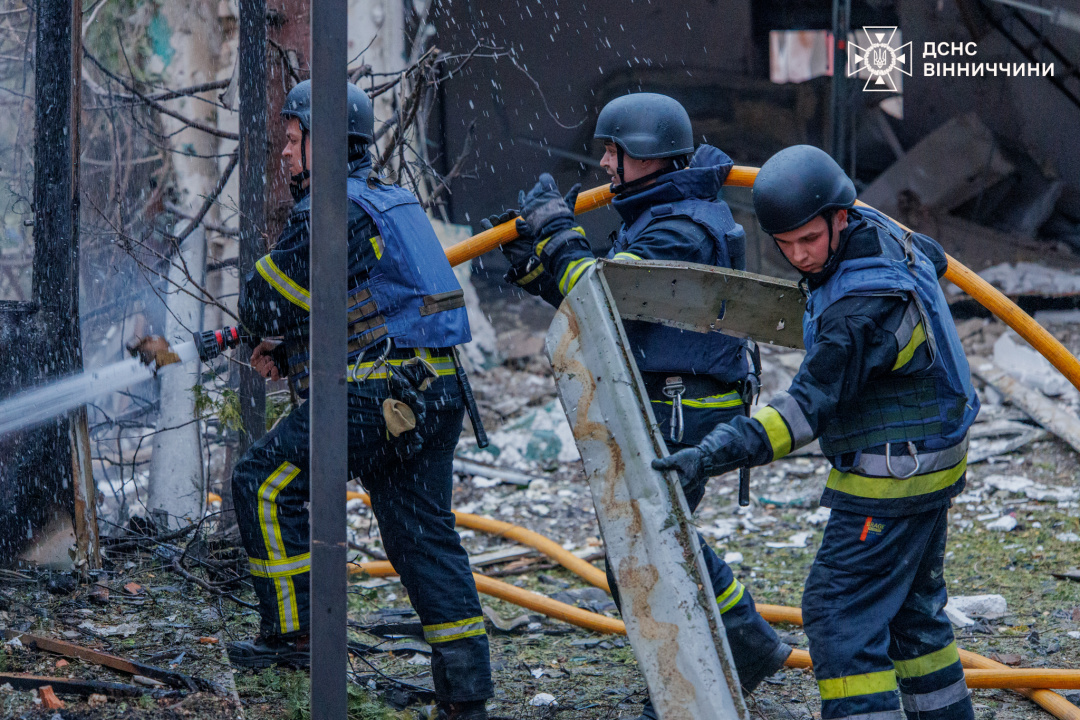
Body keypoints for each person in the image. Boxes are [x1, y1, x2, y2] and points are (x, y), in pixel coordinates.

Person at [489, 92, 791, 719]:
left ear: (648, 156)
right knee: (651, 544)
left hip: (685, 409)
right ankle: (716, 658)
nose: (604, 164)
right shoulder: (667, 212)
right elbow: (597, 313)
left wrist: (558, 232)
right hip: (672, 401)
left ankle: (724, 660)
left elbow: (605, 298)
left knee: (657, 546)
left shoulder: (684, 226)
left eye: (614, 151)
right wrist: (534, 261)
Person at [654, 144, 978, 720]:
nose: (801, 257)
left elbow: (805, 410)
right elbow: (935, 258)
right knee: (912, 612)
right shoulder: (878, 229)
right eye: (787, 244)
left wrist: (709, 453)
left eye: (811, 240)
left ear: (840, 218)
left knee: (837, 613)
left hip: (892, 476)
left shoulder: (858, 311)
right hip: (935, 455)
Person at [225, 80, 492, 720]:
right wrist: (291, 355)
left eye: (293, 141)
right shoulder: (391, 200)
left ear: (329, 142)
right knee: (422, 536)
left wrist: (273, 327)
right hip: (436, 388)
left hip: (383, 390)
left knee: (262, 481)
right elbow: (372, 309)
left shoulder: (331, 209)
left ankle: (293, 641)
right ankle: (467, 694)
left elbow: (262, 303)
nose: (285, 155)